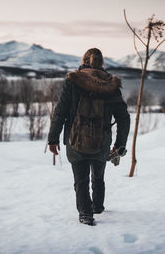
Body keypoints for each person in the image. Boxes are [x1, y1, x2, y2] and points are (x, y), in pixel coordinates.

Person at [48, 48, 130, 226]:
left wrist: (53, 138)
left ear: (83, 61)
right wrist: (120, 145)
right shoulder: (112, 85)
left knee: (81, 179)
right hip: (102, 140)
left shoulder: (73, 81)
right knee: (98, 177)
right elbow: (123, 117)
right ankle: (98, 206)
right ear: (102, 64)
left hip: (74, 139)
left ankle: (86, 213)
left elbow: (60, 112)